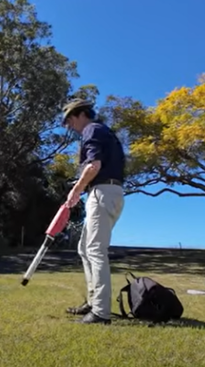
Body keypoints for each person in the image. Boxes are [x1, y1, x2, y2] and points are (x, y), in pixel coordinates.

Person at [59, 99, 126, 324]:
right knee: (84, 248)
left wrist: (75, 191)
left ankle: (100, 312)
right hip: (108, 193)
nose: (69, 126)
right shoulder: (101, 131)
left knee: (95, 250)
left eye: (69, 120)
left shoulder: (92, 129)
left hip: (103, 193)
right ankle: (93, 301)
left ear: (81, 114)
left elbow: (93, 165)